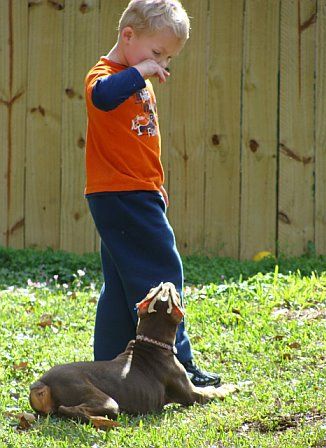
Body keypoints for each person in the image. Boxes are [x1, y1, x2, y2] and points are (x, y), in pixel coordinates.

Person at [84, 0, 220, 387]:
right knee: (163, 274)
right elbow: (103, 97)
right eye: (157, 53)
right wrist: (140, 70)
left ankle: (109, 364)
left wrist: (155, 186)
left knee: (122, 284)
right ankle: (179, 365)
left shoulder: (135, 76)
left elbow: (138, 142)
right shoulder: (106, 75)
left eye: (168, 58)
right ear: (127, 36)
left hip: (135, 192)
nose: (161, 63)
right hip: (121, 194)